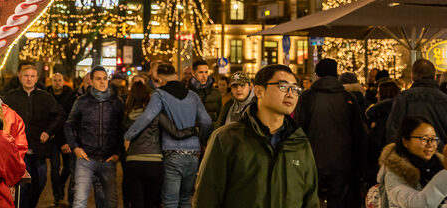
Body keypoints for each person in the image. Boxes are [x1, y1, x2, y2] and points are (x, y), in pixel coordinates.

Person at [194, 64, 319, 208]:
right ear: (259, 91)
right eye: (283, 87)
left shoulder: (299, 142)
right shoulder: (227, 139)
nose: (290, 94)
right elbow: (207, 197)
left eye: (295, 89)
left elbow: (310, 199)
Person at [124, 63, 212, 208]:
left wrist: (128, 135)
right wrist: (202, 140)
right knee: (185, 199)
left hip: (172, 153)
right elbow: (206, 121)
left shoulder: (160, 94)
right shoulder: (192, 95)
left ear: (159, 77)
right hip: (193, 153)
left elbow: (147, 116)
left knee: (170, 200)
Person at [294, 58, 367, 208]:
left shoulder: (307, 97)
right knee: (338, 201)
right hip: (342, 162)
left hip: (312, 161)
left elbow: (298, 129)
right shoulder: (348, 98)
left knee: (312, 200)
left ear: (317, 75)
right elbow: (358, 134)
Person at [4, 62, 67, 208]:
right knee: (23, 184)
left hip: (39, 147)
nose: (29, 79)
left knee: (41, 180)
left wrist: (48, 131)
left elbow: (59, 114)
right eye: (26, 75)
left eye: (32, 76)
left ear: (36, 78)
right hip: (19, 149)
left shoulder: (45, 97)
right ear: (20, 77)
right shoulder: (11, 98)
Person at [64, 66, 124, 208]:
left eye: (105, 78)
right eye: (98, 79)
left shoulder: (116, 102)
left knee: (110, 201)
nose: (102, 82)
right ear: (91, 81)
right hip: (86, 158)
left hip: (108, 159)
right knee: (79, 200)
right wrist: (75, 148)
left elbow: (122, 129)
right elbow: (68, 125)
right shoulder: (82, 102)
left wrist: (118, 153)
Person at [377, 116, 447, 207]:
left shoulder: (438, 164)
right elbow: (417, 204)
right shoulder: (395, 172)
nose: (430, 145)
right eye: (424, 139)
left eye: (434, 139)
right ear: (405, 141)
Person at [386, 59, 447, 147]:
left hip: (411, 153)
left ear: (412, 77)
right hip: (439, 153)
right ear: (434, 76)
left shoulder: (404, 98)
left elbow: (394, 128)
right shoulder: (444, 98)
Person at [46, 72, 77, 206]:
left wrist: (66, 140)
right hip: (52, 137)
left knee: (68, 167)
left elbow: (68, 119)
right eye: (55, 80)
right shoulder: (46, 95)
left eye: (60, 80)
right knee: (54, 168)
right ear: (51, 82)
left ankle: (60, 185)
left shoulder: (70, 96)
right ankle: (57, 195)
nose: (57, 82)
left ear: (63, 81)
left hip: (64, 137)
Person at [365, 80, 401, 188]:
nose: (376, 96)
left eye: (379, 93)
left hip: (380, 165)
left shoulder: (380, 115)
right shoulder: (399, 114)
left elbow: (375, 143)